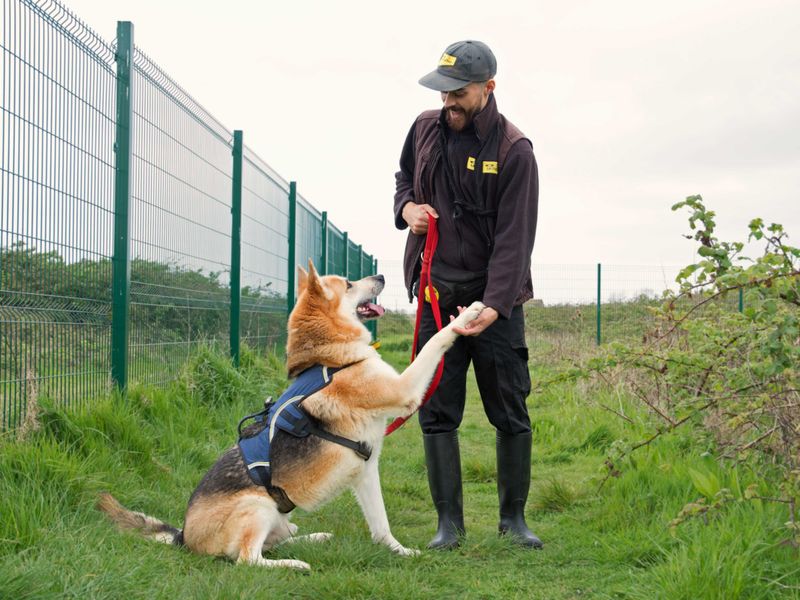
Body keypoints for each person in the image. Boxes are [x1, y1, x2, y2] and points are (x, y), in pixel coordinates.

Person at [393, 40, 541, 549]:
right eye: (443, 92)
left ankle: (513, 521)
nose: (448, 102)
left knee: (509, 408)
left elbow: (515, 240)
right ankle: (447, 527)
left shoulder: (514, 151)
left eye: (458, 93)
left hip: (493, 302)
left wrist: (494, 306)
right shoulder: (424, 129)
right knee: (436, 410)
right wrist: (408, 209)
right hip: (435, 296)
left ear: (488, 89)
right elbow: (403, 180)